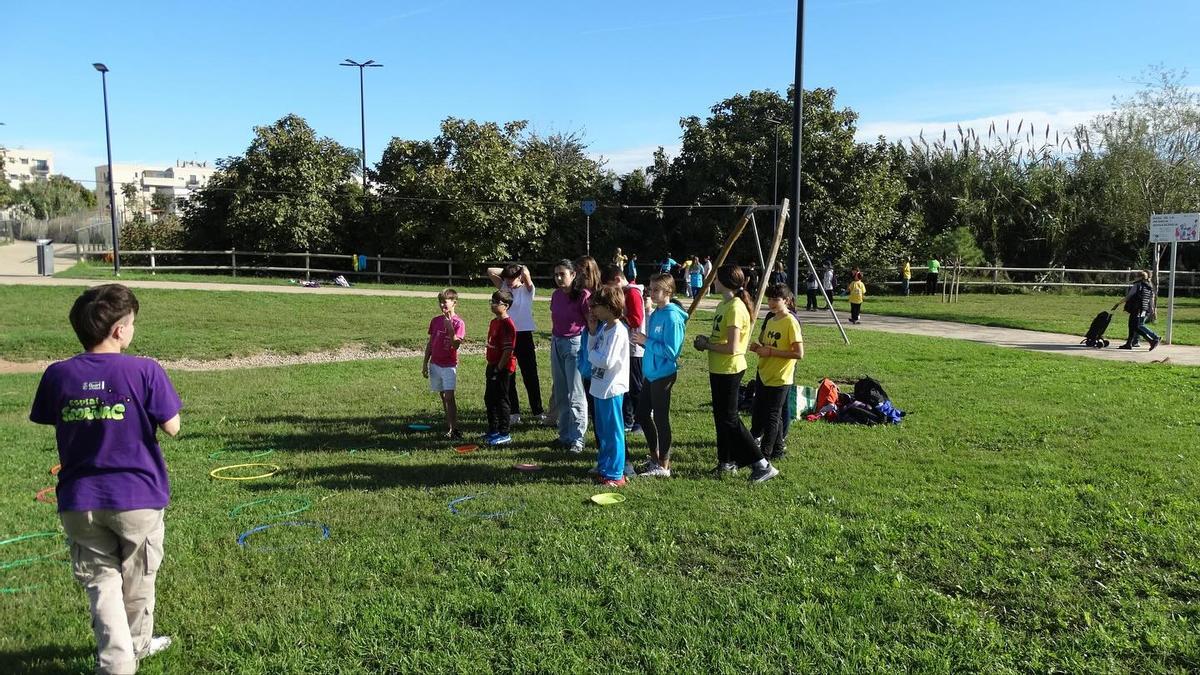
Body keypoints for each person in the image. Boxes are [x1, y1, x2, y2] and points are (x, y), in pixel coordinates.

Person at [30, 284, 180, 673]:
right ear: (118, 331)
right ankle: (132, 651)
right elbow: (173, 427)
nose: (131, 331)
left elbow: (49, 415)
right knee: (138, 575)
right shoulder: (145, 369)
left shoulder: (58, 375)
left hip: (80, 500)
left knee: (102, 582)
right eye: (130, 324)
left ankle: (120, 658)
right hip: (137, 495)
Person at [693, 264, 780, 483]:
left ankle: (762, 465)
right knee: (721, 418)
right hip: (719, 368)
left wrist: (707, 345)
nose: (712, 281)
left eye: (715, 278)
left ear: (724, 281)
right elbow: (721, 339)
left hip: (730, 369)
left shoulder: (735, 308)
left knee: (730, 419)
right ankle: (726, 462)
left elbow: (732, 348)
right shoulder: (724, 304)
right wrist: (707, 341)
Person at [633, 273, 687, 477]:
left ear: (669, 291)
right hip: (651, 373)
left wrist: (646, 342)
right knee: (641, 415)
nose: (651, 293)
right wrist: (642, 341)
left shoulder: (672, 317)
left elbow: (672, 352)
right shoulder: (656, 313)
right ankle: (654, 457)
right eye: (650, 288)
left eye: (656, 289)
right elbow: (653, 344)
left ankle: (664, 466)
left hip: (663, 375)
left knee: (661, 419)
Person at [749, 283, 804, 461]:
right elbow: (766, 345)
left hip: (781, 377)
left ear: (786, 301)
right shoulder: (771, 319)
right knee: (771, 414)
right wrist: (758, 348)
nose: (771, 303)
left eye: (776, 299)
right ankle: (778, 450)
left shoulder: (790, 322)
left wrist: (770, 352)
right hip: (765, 373)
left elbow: (798, 353)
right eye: (770, 299)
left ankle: (763, 457)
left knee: (772, 416)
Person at [486, 263, 544, 425]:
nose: (509, 282)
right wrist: (507, 272)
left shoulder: (528, 289)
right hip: (507, 334)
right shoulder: (504, 286)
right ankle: (514, 412)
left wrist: (521, 269)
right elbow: (490, 271)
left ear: (519, 277)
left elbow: (526, 272)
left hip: (524, 334)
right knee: (508, 374)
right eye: (507, 279)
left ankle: (537, 411)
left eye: (513, 279)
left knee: (530, 374)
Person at [586, 285, 631, 487]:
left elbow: (607, 361)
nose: (593, 309)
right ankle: (604, 466)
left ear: (610, 307)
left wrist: (590, 355)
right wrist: (593, 332)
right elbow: (593, 348)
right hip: (599, 386)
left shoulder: (618, 331)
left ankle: (616, 473)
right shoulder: (604, 328)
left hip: (611, 388)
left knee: (613, 432)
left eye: (597, 306)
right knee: (603, 431)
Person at [549, 259, 590, 453]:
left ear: (573, 275)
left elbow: (592, 323)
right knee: (561, 392)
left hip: (575, 345)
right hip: (557, 343)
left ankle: (578, 439)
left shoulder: (583, 296)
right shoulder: (556, 295)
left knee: (576, 394)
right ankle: (564, 436)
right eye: (556, 274)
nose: (558, 278)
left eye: (562, 274)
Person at [601, 264, 644, 433]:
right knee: (625, 384)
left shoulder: (632, 292)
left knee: (635, 386)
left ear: (618, 280)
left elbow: (636, 320)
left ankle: (640, 421)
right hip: (625, 345)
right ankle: (628, 419)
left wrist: (618, 315)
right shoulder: (626, 291)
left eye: (610, 286)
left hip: (635, 347)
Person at [422, 288, 466, 440]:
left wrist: (450, 328)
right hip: (435, 364)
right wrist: (425, 363)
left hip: (449, 365)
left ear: (454, 303)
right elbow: (430, 343)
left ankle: (455, 429)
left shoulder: (459, 323)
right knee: (443, 396)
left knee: (449, 397)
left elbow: (456, 345)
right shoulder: (435, 321)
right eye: (440, 302)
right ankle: (449, 426)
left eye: (445, 302)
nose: (442, 305)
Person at [483, 290, 517, 445]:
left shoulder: (507, 325)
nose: (493, 305)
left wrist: (498, 368)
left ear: (507, 306)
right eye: (492, 301)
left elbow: (508, 350)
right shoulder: (494, 321)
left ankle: (505, 432)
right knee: (489, 398)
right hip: (492, 365)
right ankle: (493, 429)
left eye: (497, 302)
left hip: (502, 368)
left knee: (501, 399)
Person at [1112, 270, 1160, 351]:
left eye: (1137, 276)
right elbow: (1151, 300)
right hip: (1143, 309)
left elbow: (1129, 296)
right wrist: (1152, 310)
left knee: (1135, 327)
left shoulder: (1137, 285)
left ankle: (1151, 341)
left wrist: (1118, 303)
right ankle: (1128, 344)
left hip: (1136, 309)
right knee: (1132, 326)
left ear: (1140, 277)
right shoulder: (1149, 287)